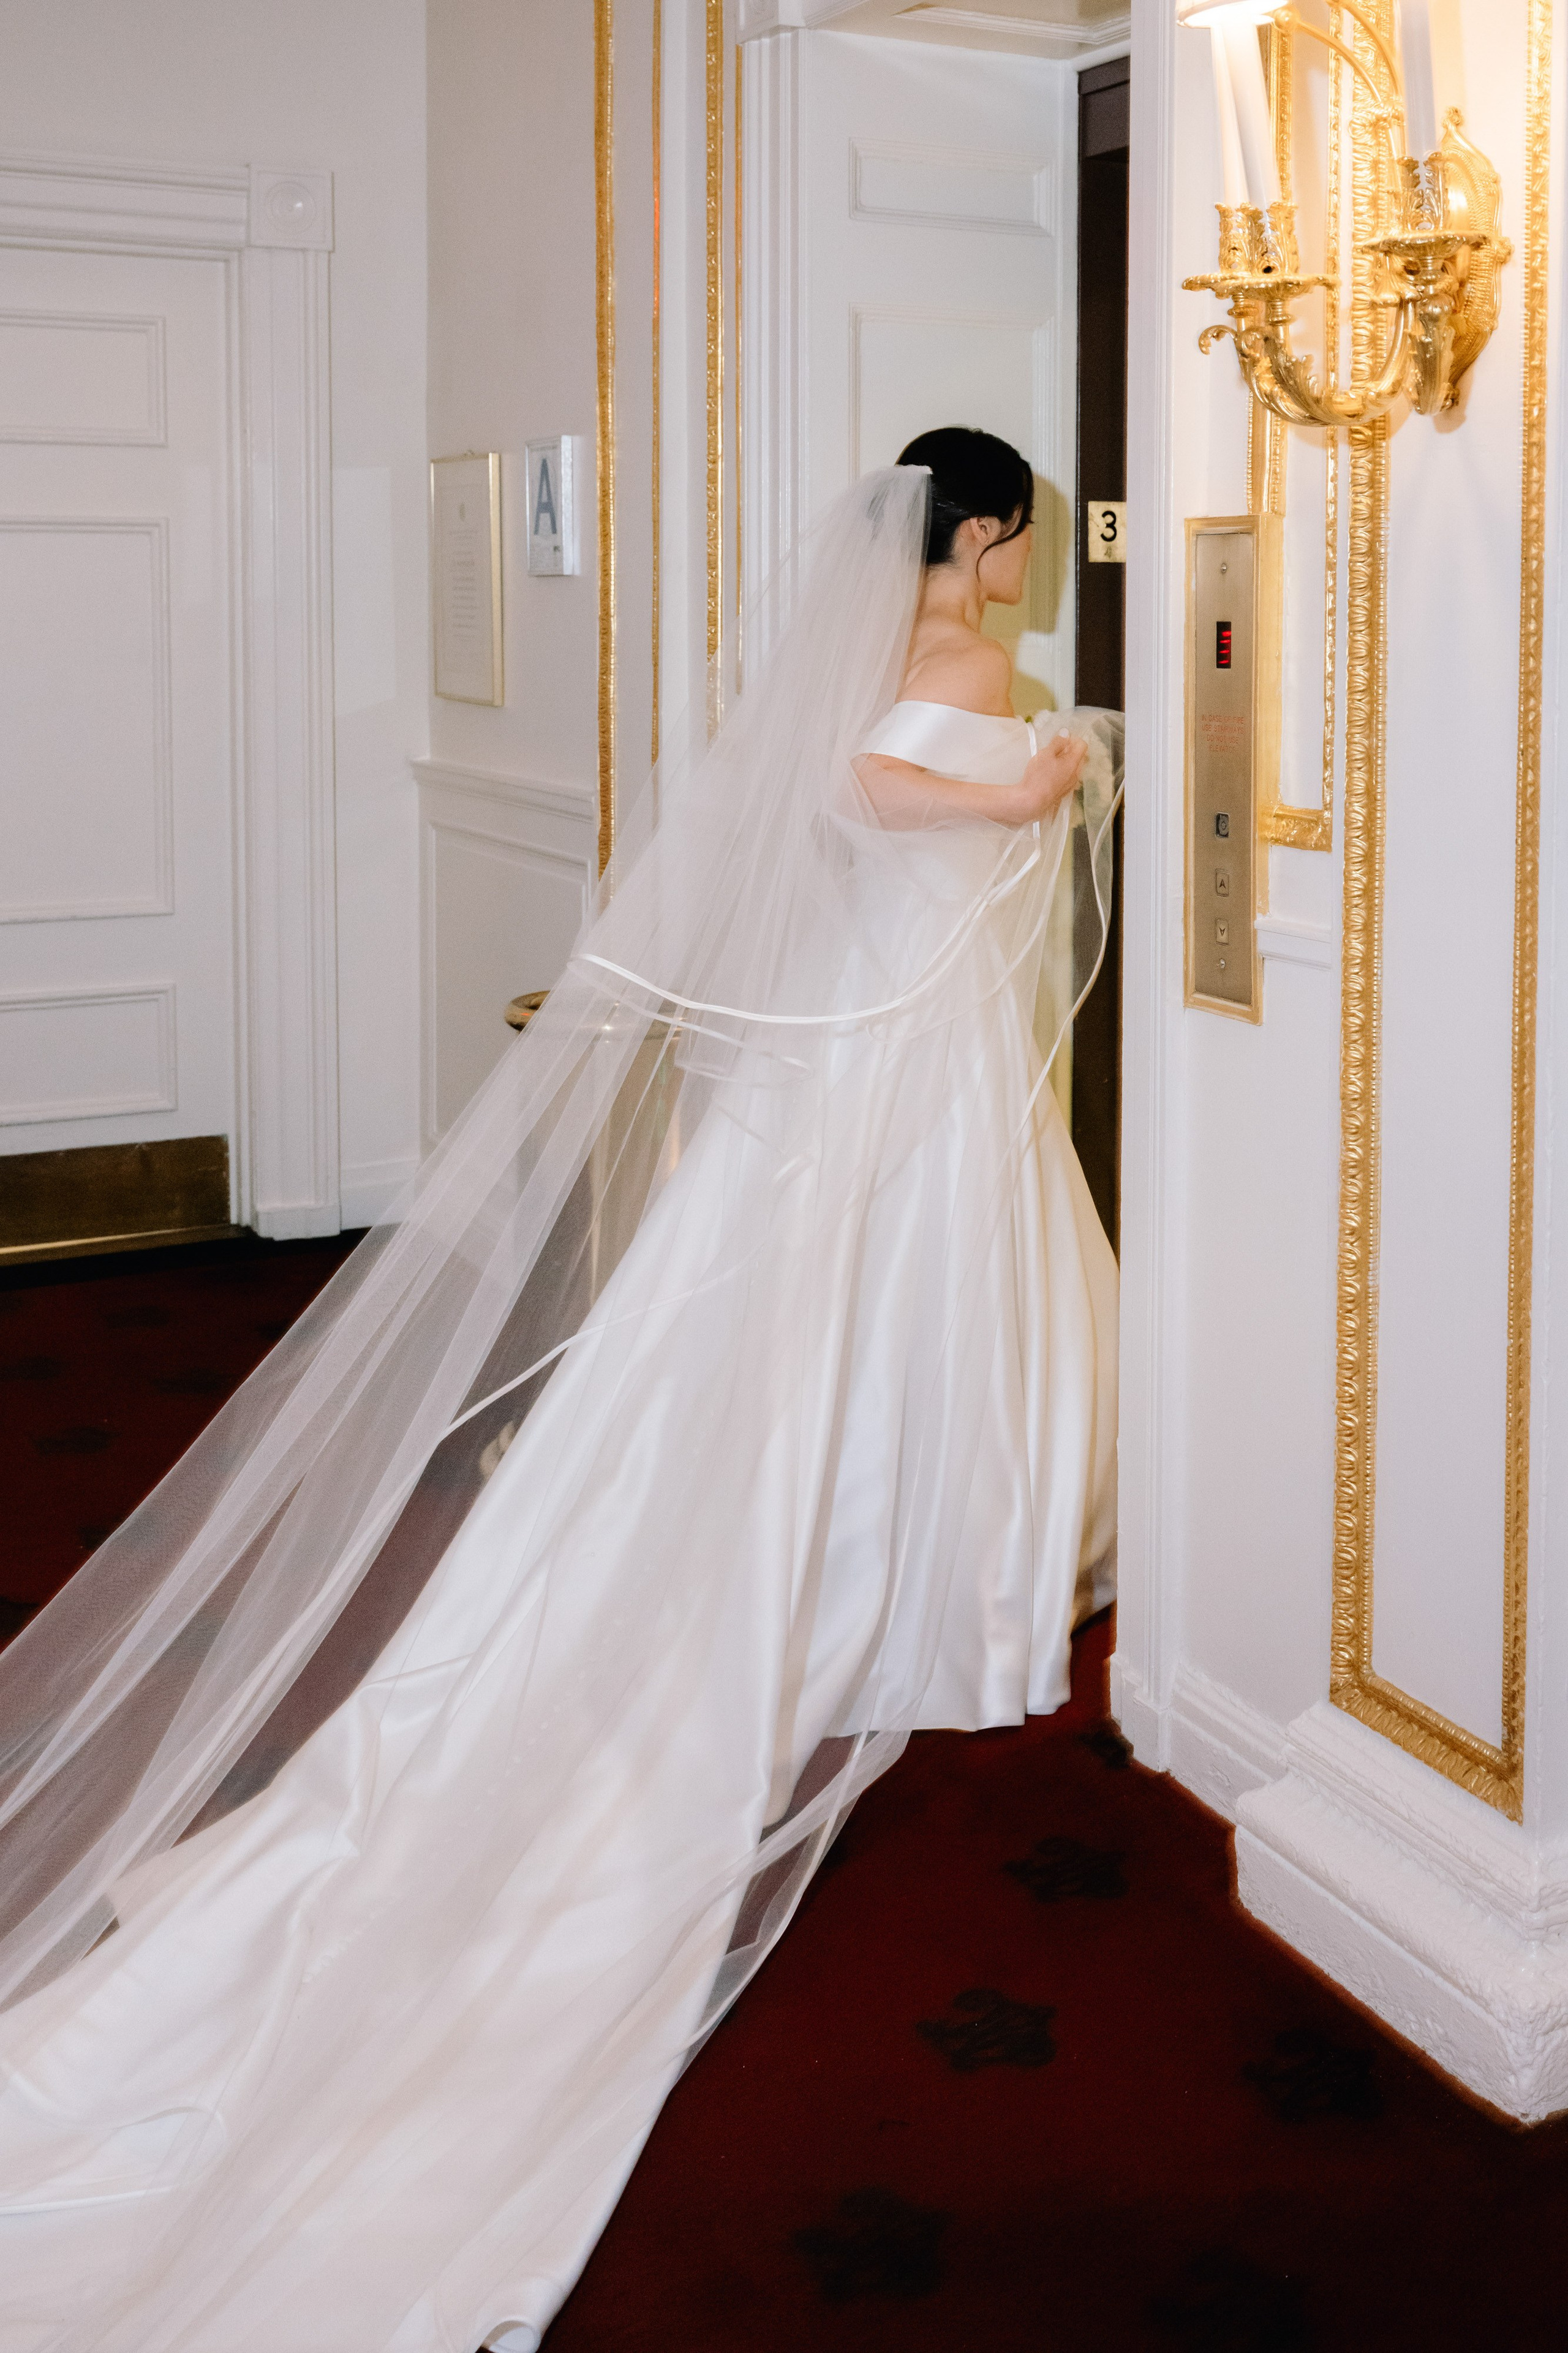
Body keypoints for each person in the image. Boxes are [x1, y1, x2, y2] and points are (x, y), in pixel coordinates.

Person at [0, 431, 1119, 2353]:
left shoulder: (847, 673)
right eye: (1016, 533)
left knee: (748, 1360)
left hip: (825, 1093)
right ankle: (941, 1590)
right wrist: (1057, 772)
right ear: (995, 537)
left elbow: (837, 802)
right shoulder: (972, 677)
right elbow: (954, 800)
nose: (1015, 565)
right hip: (912, 1095)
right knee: (921, 1332)